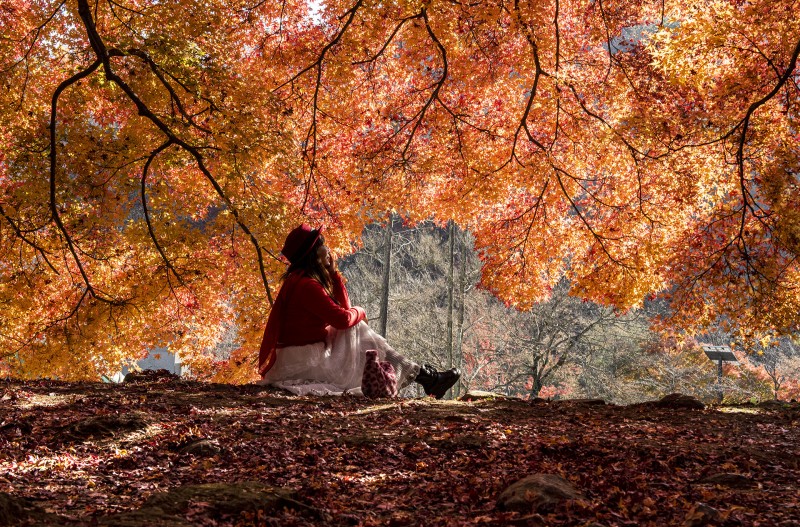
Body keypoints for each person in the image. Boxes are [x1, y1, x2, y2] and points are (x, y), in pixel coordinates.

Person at [258, 224, 460, 398]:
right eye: (323, 245)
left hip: (303, 354)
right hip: (302, 361)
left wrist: (334, 276)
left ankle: (427, 377)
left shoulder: (302, 281)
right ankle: (427, 378)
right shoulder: (306, 286)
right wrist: (361, 311)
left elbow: (345, 312)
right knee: (357, 326)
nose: (328, 249)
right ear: (314, 254)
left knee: (357, 328)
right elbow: (345, 319)